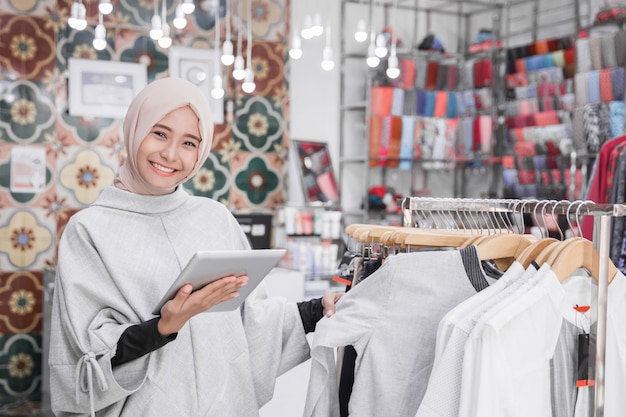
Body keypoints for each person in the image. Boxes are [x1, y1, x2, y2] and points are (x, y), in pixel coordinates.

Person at [48, 77, 342, 417]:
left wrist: (316, 310)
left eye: (189, 142)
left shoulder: (214, 218)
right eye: (159, 133)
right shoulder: (89, 230)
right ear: (134, 130)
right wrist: (163, 327)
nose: (170, 154)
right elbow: (84, 355)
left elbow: (251, 321)